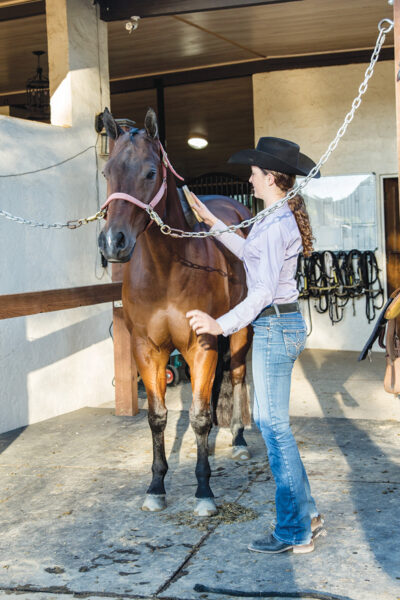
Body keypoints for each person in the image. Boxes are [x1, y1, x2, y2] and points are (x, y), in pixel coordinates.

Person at [186, 137, 324, 554]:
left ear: (271, 179)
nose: (249, 177)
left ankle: (293, 531)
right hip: (281, 325)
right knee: (274, 427)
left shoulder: (277, 221)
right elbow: (249, 253)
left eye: (254, 172)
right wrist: (213, 222)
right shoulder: (275, 217)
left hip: (273, 327)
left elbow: (261, 291)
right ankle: (308, 515)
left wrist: (219, 323)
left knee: (273, 427)